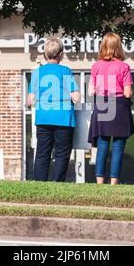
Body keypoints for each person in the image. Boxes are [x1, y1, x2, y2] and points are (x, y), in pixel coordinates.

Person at [27, 37, 81, 182]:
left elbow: (30, 100)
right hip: (63, 118)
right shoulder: (65, 71)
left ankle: (39, 185)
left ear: (46, 55)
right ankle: (58, 184)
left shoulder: (37, 72)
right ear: (60, 55)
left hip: (43, 118)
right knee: (62, 154)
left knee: (42, 154)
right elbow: (76, 97)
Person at [88, 32, 134, 185]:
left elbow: (91, 91)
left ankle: (99, 181)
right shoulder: (124, 67)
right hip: (119, 104)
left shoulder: (96, 66)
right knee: (118, 146)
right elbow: (128, 92)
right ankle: (114, 182)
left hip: (102, 103)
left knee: (102, 145)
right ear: (118, 47)